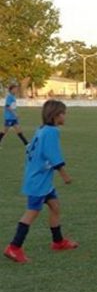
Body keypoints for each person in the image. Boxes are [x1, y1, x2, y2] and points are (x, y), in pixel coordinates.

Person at [4, 100, 77, 263]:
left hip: (41, 179)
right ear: (56, 116)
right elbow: (53, 154)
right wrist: (64, 174)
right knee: (32, 212)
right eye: (63, 113)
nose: (65, 116)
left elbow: (31, 148)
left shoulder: (42, 129)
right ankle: (14, 247)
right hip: (38, 180)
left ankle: (58, 242)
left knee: (55, 206)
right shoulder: (51, 132)